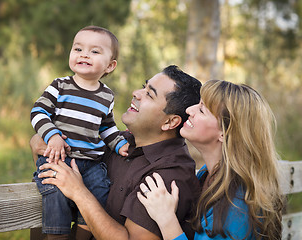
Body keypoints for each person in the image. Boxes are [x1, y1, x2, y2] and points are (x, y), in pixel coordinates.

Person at [32, 65, 202, 239]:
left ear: (170, 122)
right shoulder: (120, 143)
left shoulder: (170, 175)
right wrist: (43, 140)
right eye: (144, 86)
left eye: (149, 94)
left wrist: (79, 193)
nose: (136, 93)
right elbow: (51, 166)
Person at [137, 80, 284, 240]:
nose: (189, 110)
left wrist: (166, 219)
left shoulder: (237, 205)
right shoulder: (207, 175)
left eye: (201, 110)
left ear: (224, 133)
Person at [30, 25, 129, 240]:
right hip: (59, 158)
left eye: (95, 51)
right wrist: (52, 136)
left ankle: (82, 235)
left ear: (110, 66)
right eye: (78, 49)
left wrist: (119, 144)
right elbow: (38, 112)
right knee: (54, 194)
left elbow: (106, 127)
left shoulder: (107, 96)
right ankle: (57, 236)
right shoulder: (60, 86)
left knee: (100, 190)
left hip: (91, 163)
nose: (84, 54)